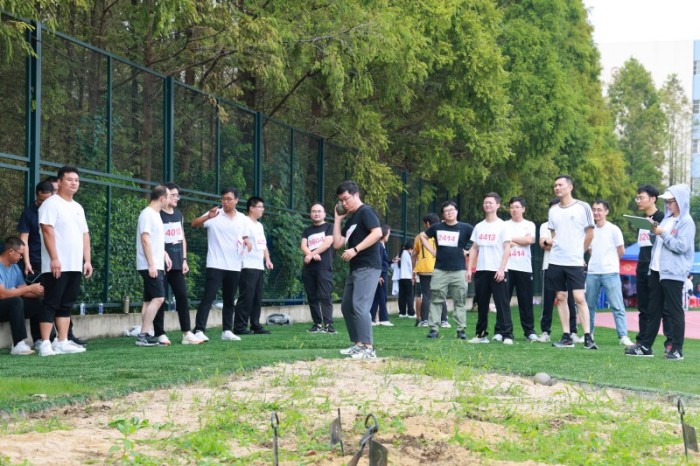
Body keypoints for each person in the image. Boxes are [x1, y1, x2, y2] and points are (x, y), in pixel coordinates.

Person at [626, 184, 695, 360]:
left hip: (672, 271)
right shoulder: (667, 219)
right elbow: (658, 242)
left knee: (673, 311)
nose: (668, 205)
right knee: (653, 310)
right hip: (656, 270)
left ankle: (677, 349)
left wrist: (662, 233)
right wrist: (653, 231)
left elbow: (681, 246)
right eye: (667, 202)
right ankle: (646, 346)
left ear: (680, 201)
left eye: (671, 201)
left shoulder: (686, 222)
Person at [37, 166, 91, 356]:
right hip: (56, 265)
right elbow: (47, 230)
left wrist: (87, 260)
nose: (74, 183)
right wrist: (54, 258)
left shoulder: (77, 207)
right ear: (59, 182)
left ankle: (62, 341)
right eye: (69, 179)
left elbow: (85, 234)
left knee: (66, 304)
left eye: (76, 180)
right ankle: (45, 344)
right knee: (51, 302)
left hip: (75, 265)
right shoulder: (51, 204)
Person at [333, 180, 383, 359]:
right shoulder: (351, 219)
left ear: (356, 195)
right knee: (347, 306)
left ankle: (368, 349)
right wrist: (338, 220)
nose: (344, 203)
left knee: (360, 306)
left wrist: (355, 249)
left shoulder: (366, 211)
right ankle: (358, 345)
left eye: (346, 199)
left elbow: (377, 233)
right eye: (341, 200)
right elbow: (338, 243)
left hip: (368, 266)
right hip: (355, 268)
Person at [192, 187, 250, 342]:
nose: (225, 202)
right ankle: (198, 330)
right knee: (208, 297)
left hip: (234, 265)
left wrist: (247, 242)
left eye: (229, 199)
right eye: (223, 198)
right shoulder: (214, 213)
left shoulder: (242, 218)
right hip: (215, 264)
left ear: (236, 200)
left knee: (229, 299)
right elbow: (194, 224)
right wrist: (208, 217)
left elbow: (244, 236)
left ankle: (227, 331)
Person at [547, 175, 597, 350]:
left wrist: (579, 252)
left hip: (574, 261)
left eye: (560, 185)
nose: (557, 188)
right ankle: (567, 336)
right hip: (556, 260)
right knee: (561, 297)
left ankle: (588, 337)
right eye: (555, 185)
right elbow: (554, 234)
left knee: (579, 298)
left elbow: (590, 234)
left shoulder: (583, 207)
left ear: (570, 187)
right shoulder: (553, 210)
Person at [151, 183, 203, 345]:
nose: (176, 198)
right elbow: (153, 239)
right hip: (160, 264)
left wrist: (184, 259)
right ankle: (159, 333)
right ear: (165, 196)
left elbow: (182, 238)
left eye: (177, 195)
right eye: (172, 195)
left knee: (182, 296)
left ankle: (187, 332)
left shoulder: (179, 215)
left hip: (178, 264)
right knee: (159, 298)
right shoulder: (157, 214)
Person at [419, 200, 473, 340]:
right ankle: (434, 329)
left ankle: (461, 329)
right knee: (436, 299)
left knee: (460, 300)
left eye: (452, 210)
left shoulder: (466, 228)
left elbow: (477, 241)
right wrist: (432, 251)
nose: (450, 213)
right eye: (446, 211)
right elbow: (422, 236)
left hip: (459, 270)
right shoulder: (437, 227)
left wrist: (468, 252)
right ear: (443, 214)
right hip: (440, 270)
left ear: (456, 211)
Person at [584, 200, 633, 347]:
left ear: (606, 211)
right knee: (590, 306)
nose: (596, 212)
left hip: (610, 272)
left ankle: (623, 336)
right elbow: (589, 249)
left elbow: (621, 250)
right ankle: (589, 334)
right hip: (593, 272)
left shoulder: (614, 229)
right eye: (594, 210)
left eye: (599, 210)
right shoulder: (589, 230)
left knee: (617, 305)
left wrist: (610, 261)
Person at [467, 193, 513, 344]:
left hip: (497, 270)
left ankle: (507, 335)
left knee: (502, 304)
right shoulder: (479, 226)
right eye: (485, 202)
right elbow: (474, 248)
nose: (487, 205)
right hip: (482, 270)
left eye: (491, 203)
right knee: (482, 304)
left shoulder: (503, 225)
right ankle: (481, 335)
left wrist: (501, 269)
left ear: (498, 205)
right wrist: (469, 269)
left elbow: (507, 248)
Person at [633, 185, 670, 350]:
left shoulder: (663, 218)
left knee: (663, 308)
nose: (638, 201)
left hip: (656, 267)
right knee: (643, 307)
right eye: (637, 198)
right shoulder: (642, 219)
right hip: (642, 265)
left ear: (653, 199)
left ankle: (670, 343)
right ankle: (641, 341)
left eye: (641, 198)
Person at [537, 198, 579, 342]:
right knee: (547, 301)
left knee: (570, 300)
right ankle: (545, 332)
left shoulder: (570, 225)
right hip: (549, 266)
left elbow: (572, 244)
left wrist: (553, 243)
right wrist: (561, 245)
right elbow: (543, 244)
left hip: (568, 266)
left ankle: (572, 332)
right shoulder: (545, 226)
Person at [134, 186, 171, 347]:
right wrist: (151, 264)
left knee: (149, 300)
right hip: (150, 265)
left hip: (155, 263)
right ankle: (143, 335)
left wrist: (164, 254)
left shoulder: (155, 215)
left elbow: (155, 241)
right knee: (159, 298)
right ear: (162, 198)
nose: (170, 200)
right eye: (169, 197)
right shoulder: (147, 214)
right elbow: (145, 240)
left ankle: (146, 333)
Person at [233, 196, 273, 335]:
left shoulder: (259, 225)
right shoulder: (244, 221)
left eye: (263, 207)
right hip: (246, 264)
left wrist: (267, 259)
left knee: (257, 296)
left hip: (258, 265)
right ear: (251, 208)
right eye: (260, 207)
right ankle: (239, 326)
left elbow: (263, 244)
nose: (262, 209)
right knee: (246, 296)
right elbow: (239, 236)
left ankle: (255, 325)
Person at [0, 237, 44, 355]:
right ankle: (18, 344)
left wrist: (40, 292)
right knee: (16, 301)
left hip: (11, 307)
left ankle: (42, 340)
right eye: (20, 254)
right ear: (11, 251)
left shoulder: (15, 267)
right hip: (4, 305)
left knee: (39, 301)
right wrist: (29, 288)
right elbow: (2, 294)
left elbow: (23, 290)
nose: (21, 257)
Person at [505, 196, 537, 341]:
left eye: (517, 207)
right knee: (503, 300)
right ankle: (502, 331)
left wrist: (511, 240)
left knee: (525, 301)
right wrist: (520, 240)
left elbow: (529, 240)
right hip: (506, 267)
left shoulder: (529, 225)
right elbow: (502, 241)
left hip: (524, 267)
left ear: (523, 209)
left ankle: (529, 331)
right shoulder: (504, 224)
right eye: (512, 207)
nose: (514, 210)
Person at [301, 203, 335, 334]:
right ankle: (317, 324)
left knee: (324, 295)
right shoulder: (307, 230)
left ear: (324, 214)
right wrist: (310, 255)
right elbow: (303, 246)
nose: (316, 213)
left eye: (319, 211)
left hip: (323, 266)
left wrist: (312, 254)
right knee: (312, 296)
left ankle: (328, 325)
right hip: (308, 268)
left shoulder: (329, 227)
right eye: (314, 211)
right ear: (310, 214)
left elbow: (327, 243)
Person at [412, 213, 448, 328]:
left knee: (426, 295)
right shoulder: (442, 235)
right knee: (440, 294)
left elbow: (414, 254)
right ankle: (444, 320)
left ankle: (424, 320)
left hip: (424, 269)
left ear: (427, 223)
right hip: (439, 267)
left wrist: (413, 269)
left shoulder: (420, 236)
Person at [370, 224, 393, 326]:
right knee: (382, 296)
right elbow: (377, 261)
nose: (389, 235)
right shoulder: (379, 246)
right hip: (380, 274)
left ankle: (372, 319)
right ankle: (383, 319)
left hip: (381, 273)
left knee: (377, 296)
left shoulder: (381, 246)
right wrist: (378, 276)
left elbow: (384, 261)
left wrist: (392, 261)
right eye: (388, 233)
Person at [396, 240, 416, 318]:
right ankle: (411, 312)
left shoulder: (401, 253)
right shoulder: (407, 255)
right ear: (410, 248)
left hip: (401, 277)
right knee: (410, 296)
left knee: (402, 295)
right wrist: (413, 277)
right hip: (408, 277)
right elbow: (410, 267)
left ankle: (402, 312)